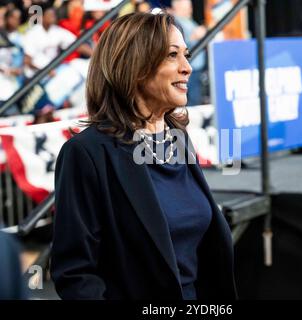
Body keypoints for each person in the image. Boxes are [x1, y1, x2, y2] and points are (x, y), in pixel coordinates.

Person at [50, 12, 237, 300]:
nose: (187, 67)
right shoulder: (86, 154)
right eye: (172, 55)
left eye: (186, 55)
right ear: (135, 66)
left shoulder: (178, 140)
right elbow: (76, 274)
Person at [172, 0, 206, 106]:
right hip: (187, 67)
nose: (190, 9)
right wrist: (194, 36)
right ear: (177, 7)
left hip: (196, 67)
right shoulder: (174, 23)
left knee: (195, 98)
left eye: (190, 6)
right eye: (186, 6)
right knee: (190, 99)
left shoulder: (189, 20)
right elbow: (175, 45)